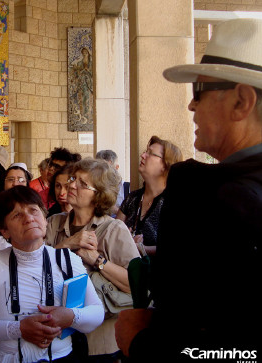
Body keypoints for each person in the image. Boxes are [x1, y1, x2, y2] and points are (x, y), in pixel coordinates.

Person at [115, 18, 262, 362]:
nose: (191, 106)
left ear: (242, 101)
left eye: (199, 91)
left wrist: (143, 342)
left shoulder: (231, 201)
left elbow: (239, 351)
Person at [0, 186, 104, 362]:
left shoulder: (68, 260)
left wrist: (70, 317)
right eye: (17, 215)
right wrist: (18, 329)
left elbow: (97, 312)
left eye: (34, 210)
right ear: (4, 231)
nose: (28, 218)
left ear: (44, 218)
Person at [45, 158, 139, 362]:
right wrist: (68, 243)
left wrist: (97, 260)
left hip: (99, 343)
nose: (71, 185)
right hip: (57, 339)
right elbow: (35, 267)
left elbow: (136, 284)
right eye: (73, 178)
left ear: (99, 196)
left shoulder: (114, 229)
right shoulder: (53, 224)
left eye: (82, 183)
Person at [116, 137, 182, 256]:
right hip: (124, 270)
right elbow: (114, 234)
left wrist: (142, 248)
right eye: (145, 151)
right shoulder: (132, 198)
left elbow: (178, 246)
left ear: (165, 165)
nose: (143, 155)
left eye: (151, 153)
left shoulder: (174, 202)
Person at [95, 150, 128, 217]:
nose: (105, 173)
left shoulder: (128, 188)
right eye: (101, 170)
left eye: (109, 168)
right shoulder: (92, 189)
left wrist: (114, 209)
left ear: (117, 167)